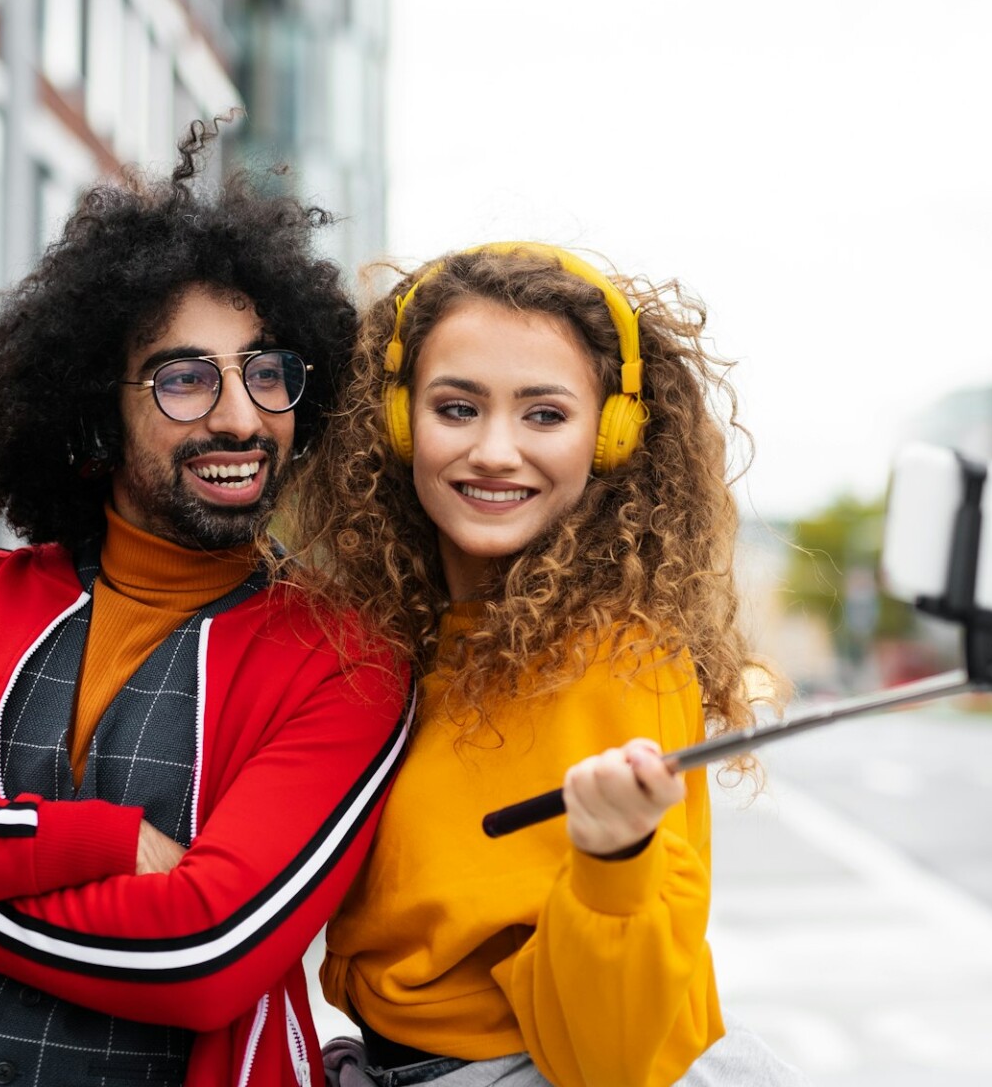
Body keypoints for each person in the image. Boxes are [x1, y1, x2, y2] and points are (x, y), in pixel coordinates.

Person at [0, 130, 412, 1087]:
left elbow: (203, 955)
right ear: (98, 416)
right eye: (185, 378)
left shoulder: (344, 657)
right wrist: (89, 844)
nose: (240, 415)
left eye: (266, 371)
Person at [293, 243, 804, 1087]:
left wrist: (614, 862)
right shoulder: (400, 637)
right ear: (394, 421)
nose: (495, 451)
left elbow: (612, 1059)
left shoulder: (615, 660)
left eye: (544, 415)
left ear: (611, 436)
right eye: (457, 408)